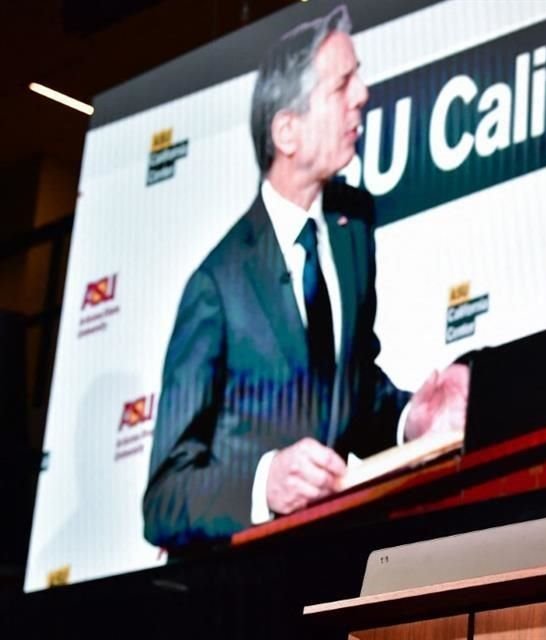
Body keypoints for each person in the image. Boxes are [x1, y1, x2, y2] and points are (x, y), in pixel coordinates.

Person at [143, 5, 467, 549]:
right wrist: (261, 484)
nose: (362, 94)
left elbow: (350, 395)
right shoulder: (215, 287)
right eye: (342, 85)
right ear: (287, 131)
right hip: (243, 594)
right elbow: (164, 499)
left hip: (342, 564)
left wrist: (414, 417)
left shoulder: (353, 227)